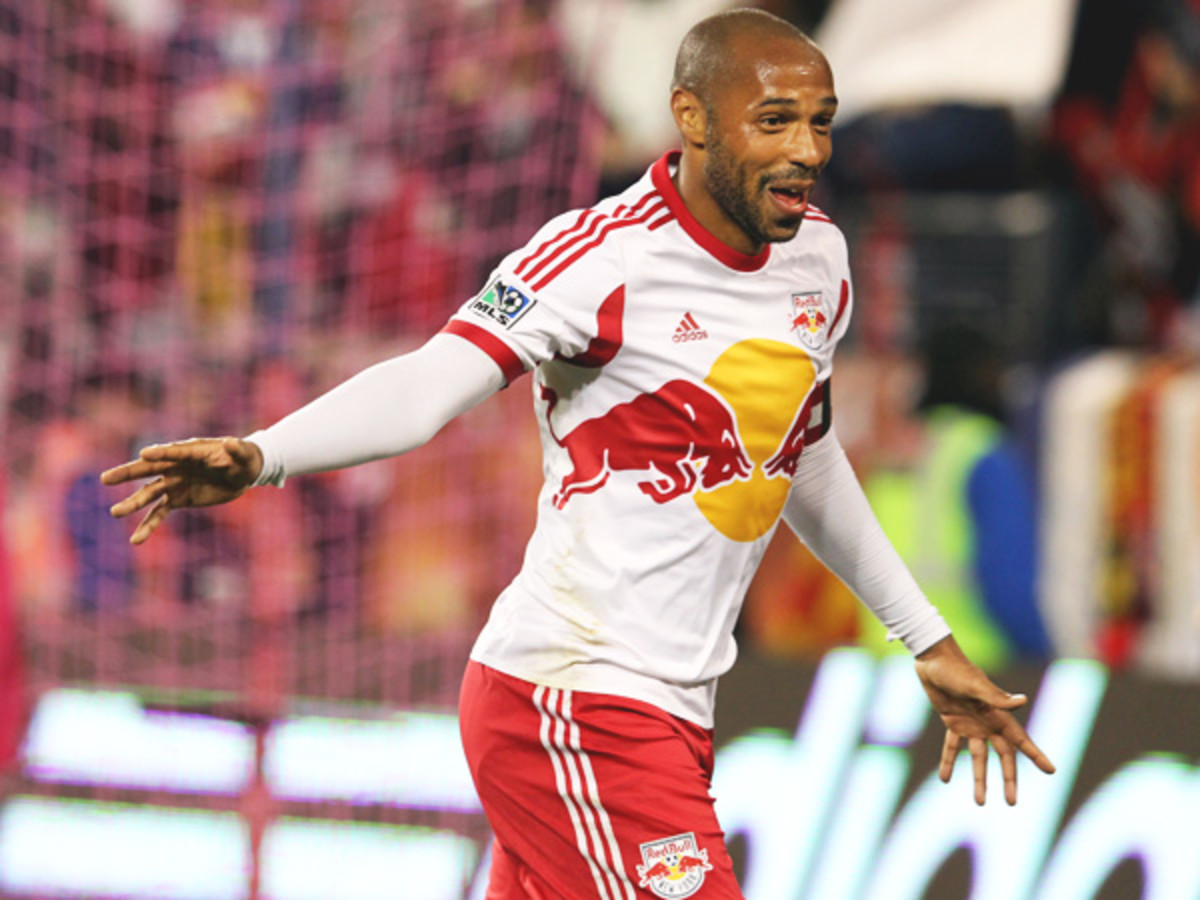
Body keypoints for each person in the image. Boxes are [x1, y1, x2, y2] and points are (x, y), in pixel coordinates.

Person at [102, 10, 1055, 898]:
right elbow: (430, 387)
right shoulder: (597, 258)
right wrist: (264, 454)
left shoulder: (819, 261)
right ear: (692, 117)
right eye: (775, 121)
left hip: (673, 712)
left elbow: (799, 452)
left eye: (821, 122)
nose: (807, 151)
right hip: (571, 701)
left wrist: (924, 638)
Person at [861, 324, 1052, 671]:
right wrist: (1042, 654)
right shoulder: (982, 453)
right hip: (972, 665)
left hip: (884, 662)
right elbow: (1008, 583)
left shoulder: (896, 452)